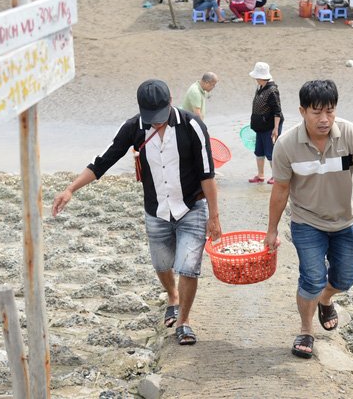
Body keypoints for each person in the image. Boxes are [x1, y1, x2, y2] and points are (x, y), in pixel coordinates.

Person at [51, 79, 222, 346]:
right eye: (150, 118)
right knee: (162, 264)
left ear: (170, 102)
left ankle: (184, 321)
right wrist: (70, 189)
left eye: (160, 117)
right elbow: (102, 162)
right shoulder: (133, 127)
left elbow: (207, 174)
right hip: (156, 210)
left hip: (190, 207)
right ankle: (172, 297)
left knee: (189, 267)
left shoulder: (192, 126)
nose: (156, 123)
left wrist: (214, 216)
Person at [265, 79, 353, 359]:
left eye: (330, 111)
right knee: (312, 279)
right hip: (307, 223)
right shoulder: (287, 145)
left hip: (346, 221)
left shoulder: (351, 135)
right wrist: (271, 230)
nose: (325, 119)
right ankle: (306, 331)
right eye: (317, 112)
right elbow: (280, 190)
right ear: (302, 111)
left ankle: (326, 300)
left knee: (344, 280)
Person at [248, 62, 283, 185]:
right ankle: (261, 175)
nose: (256, 79)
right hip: (260, 126)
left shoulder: (272, 91)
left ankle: (276, 176)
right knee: (259, 151)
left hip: (270, 126)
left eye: (257, 77)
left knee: (271, 152)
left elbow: (277, 111)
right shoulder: (260, 87)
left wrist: (276, 129)